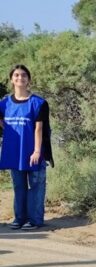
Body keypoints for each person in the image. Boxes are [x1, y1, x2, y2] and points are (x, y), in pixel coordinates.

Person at [0, 64, 54, 230]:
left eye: (23, 75)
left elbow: (39, 128)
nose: (20, 78)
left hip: (33, 153)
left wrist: (37, 151)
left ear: (29, 79)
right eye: (16, 75)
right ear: (11, 80)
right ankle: (19, 218)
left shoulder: (38, 103)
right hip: (14, 153)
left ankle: (35, 220)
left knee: (36, 187)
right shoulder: (4, 104)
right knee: (19, 187)